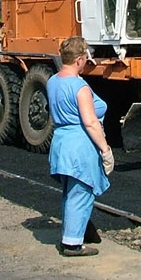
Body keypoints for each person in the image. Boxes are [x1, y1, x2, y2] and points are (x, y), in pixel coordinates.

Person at [47, 36, 113, 257]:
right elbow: (90, 122)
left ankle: (77, 231)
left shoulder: (53, 81)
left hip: (61, 143)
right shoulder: (79, 87)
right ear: (78, 59)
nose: (86, 62)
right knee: (81, 193)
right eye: (85, 58)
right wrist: (105, 150)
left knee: (69, 192)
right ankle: (72, 244)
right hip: (79, 146)